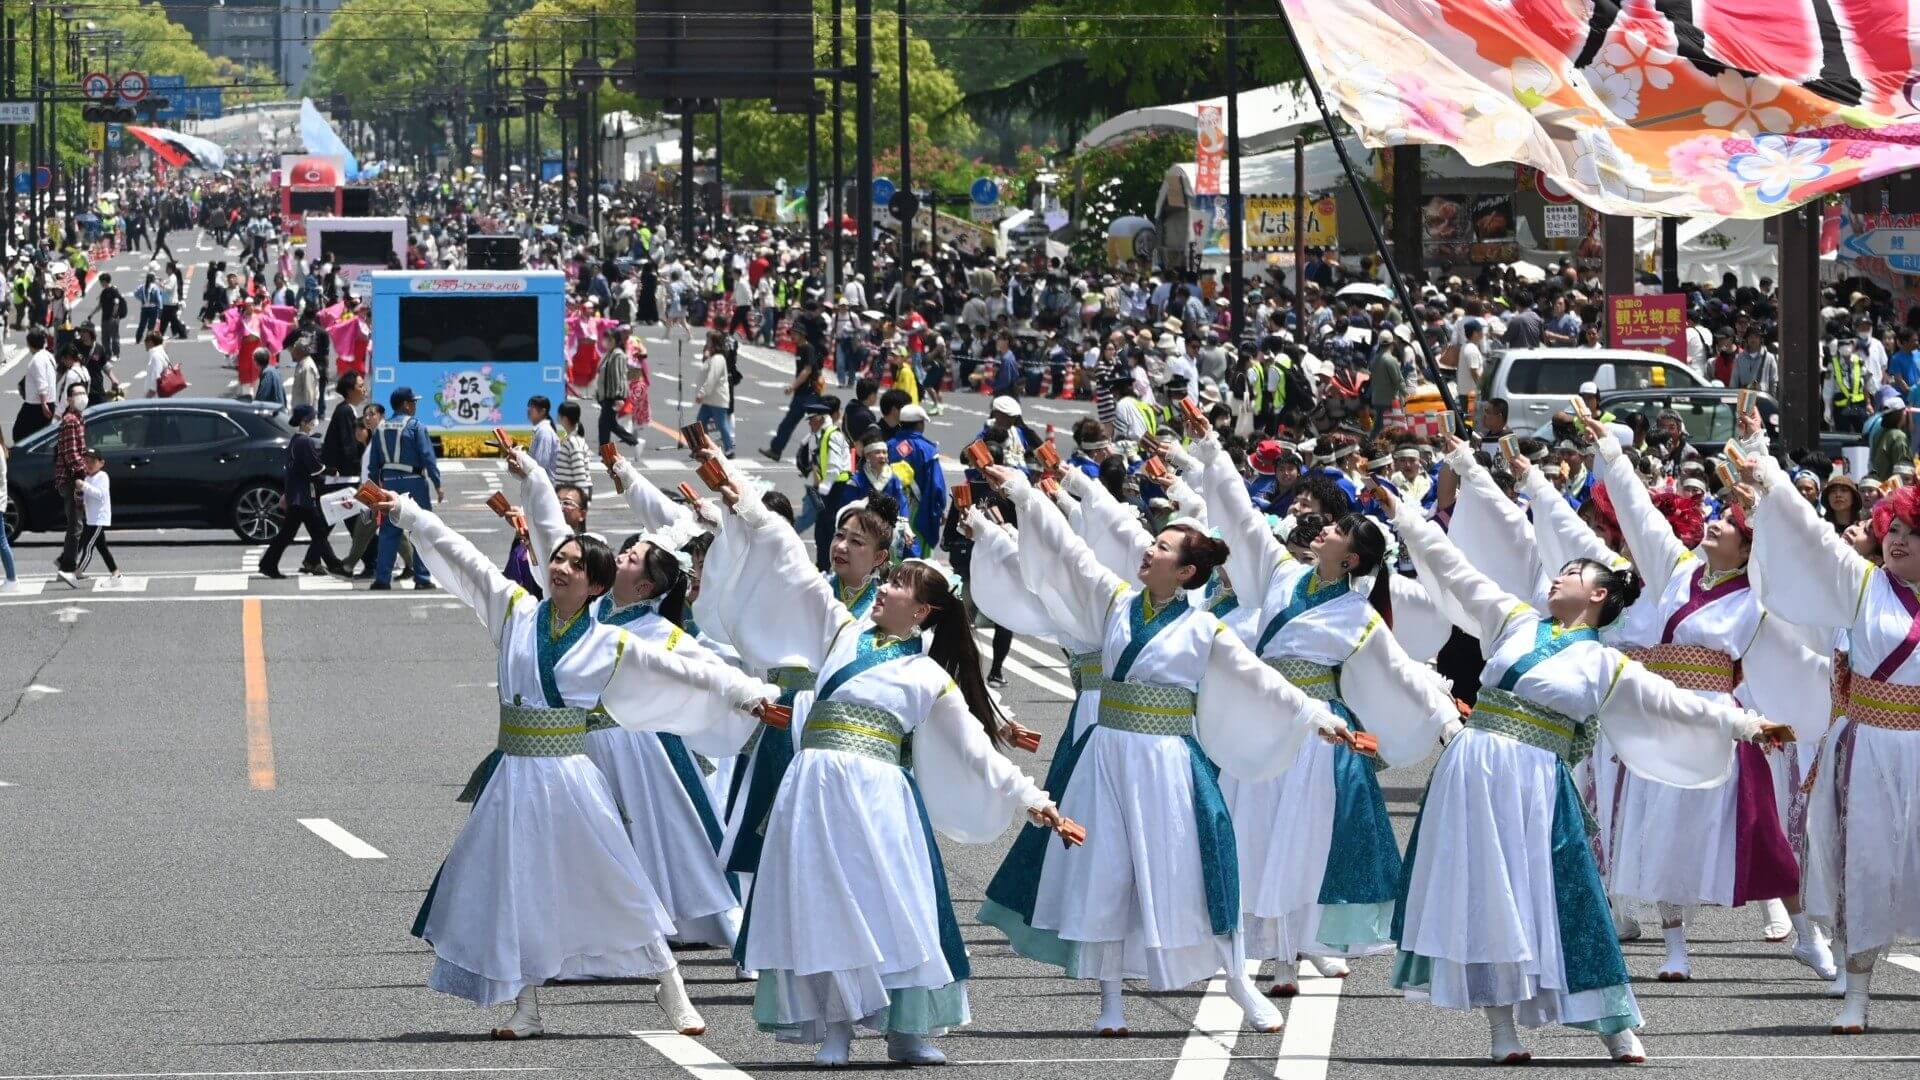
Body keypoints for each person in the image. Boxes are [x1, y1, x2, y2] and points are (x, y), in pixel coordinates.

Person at [1378, 458, 1790, 1065]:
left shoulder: (1606, 662)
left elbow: (1676, 703)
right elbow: (1456, 572)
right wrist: (1410, 520)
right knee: (1489, 893)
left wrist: (1748, 725)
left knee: (1565, 893)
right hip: (1473, 768)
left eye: (1571, 573)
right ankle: (1502, 1028)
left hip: (1538, 780)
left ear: (1598, 594)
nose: (1556, 577)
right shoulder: (1513, 621)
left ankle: (1613, 1024)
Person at [364, 482, 779, 1041]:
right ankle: (527, 1007)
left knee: (618, 877)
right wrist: (411, 515)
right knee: (519, 885)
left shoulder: (609, 643)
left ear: (597, 586)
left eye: (576, 565)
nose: (561, 567)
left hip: (570, 776)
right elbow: (461, 554)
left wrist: (749, 693)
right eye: (558, 558)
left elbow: (688, 672)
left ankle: (669, 982)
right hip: (514, 777)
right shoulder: (514, 611)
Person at [700, 471, 1077, 1067]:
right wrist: (747, 505)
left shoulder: (928, 675)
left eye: (898, 583)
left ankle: (906, 1029)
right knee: (824, 902)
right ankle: (838, 1028)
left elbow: (976, 750)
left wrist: (1034, 799)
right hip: (815, 788)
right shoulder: (841, 628)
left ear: (923, 611)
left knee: (893, 905)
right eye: (888, 577)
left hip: (878, 797)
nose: (884, 586)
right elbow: (792, 566)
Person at [975, 462, 1358, 1038]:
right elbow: (1068, 553)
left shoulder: (1204, 629)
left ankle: (1235, 979)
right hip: (1107, 754)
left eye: (1161, 547)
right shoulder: (1115, 601)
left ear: (1184, 572)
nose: (1148, 551)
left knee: (1201, 867)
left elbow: (1261, 680)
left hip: (1168, 762)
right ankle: (1111, 1002)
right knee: (1103, 870)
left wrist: (1315, 714)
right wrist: (1025, 494)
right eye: (1152, 543)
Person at [1188, 424, 1456, 994]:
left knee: (1301, 841)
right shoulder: (1283, 576)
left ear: (1351, 555)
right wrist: (1212, 451)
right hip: (1267, 720)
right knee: (1252, 830)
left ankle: (1290, 953)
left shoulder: (1358, 617)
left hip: (1315, 735)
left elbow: (1400, 673)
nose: (1322, 530)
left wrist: (1443, 713)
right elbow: (1242, 518)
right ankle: (1256, 948)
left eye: (1334, 530)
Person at [1746, 448, 1920, 1035]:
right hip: (1867, 746)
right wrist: (1766, 468)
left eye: (1913, 533)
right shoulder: (1864, 583)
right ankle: (1858, 996)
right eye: (1893, 528)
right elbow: (1812, 537)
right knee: (1864, 864)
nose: (1898, 540)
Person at [258, 404, 346, 579]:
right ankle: (333, 564)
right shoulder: (305, 441)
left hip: (297, 495)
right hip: (303, 496)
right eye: (313, 418)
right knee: (317, 531)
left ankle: (269, 563)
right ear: (305, 421)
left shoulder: (295, 440)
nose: (315, 421)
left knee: (302, 533)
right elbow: (315, 468)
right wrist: (331, 470)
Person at [367, 387, 442, 590]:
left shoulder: (380, 429)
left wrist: (373, 490)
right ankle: (422, 577)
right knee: (421, 527)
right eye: (413, 402)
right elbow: (428, 456)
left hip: (389, 483)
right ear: (406, 405)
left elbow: (373, 465)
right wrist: (437, 483)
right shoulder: (416, 426)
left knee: (388, 531)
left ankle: (382, 579)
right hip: (414, 481)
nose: (415, 406)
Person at [761, 339, 824, 461]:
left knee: (818, 425)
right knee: (787, 424)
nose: (792, 336)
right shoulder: (800, 348)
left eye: (794, 332)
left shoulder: (808, 348)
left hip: (811, 394)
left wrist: (792, 386)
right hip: (800, 394)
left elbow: (807, 370)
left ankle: (824, 454)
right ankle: (775, 450)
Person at [52, 383, 90, 586]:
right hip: (71, 480)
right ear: (68, 399)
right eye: (77, 394)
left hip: (77, 478)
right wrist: (82, 473)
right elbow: (69, 453)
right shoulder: (69, 421)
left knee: (80, 524)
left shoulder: (78, 419)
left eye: (84, 392)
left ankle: (68, 564)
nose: (82, 397)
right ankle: (66, 568)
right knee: (76, 524)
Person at [72, 448, 116, 579]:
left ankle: (78, 571)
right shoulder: (88, 478)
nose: (89, 464)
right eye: (86, 461)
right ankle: (116, 572)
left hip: (99, 518)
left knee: (88, 547)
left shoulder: (102, 476)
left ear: (101, 463)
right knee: (102, 548)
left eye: (93, 461)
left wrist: (84, 486)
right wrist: (79, 494)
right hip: (91, 518)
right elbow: (85, 497)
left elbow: (100, 495)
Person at [695, 330, 736, 455]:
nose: (706, 343)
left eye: (709, 341)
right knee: (701, 421)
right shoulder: (713, 357)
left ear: (714, 343)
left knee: (721, 424)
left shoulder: (718, 359)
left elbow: (712, 378)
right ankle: (705, 446)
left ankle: (729, 449)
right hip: (710, 399)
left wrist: (702, 393)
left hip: (717, 399)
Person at [15, 329, 56, 440]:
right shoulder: (49, 356)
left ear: (29, 343)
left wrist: (43, 404)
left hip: (37, 405)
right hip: (49, 402)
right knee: (39, 436)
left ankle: (27, 457)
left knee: (19, 433)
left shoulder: (37, 359)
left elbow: (41, 383)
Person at [551, 401, 592, 491]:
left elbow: (580, 474)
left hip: (572, 495)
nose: (557, 418)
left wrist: (576, 500)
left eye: (559, 415)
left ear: (565, 418)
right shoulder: (570, 440)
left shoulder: (573, 443)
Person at [526, 395, 557, 476]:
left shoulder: (544, 432)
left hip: (546, 484)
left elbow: (541, 464)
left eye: (532, 407)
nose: (528, 410)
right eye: (529, 407)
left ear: (543, 411)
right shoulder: (541, 430)